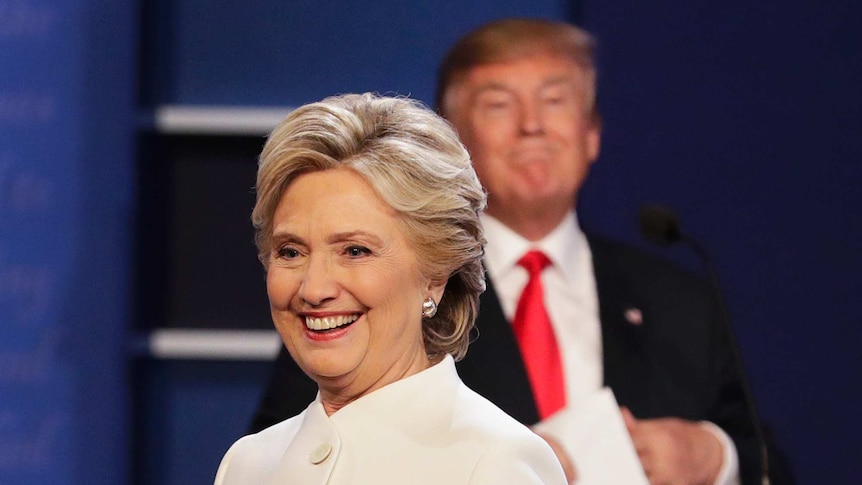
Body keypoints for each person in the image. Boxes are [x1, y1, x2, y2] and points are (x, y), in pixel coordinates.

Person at [250, 20, 795, 485]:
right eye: (499, 105)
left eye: (555, 100)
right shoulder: (379, 282)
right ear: (453, 139)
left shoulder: (682, 299)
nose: (532, 126)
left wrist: (713, 454)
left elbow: (773, 464)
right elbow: (297, 445)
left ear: (591, 134)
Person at [214, 93, 567, 485]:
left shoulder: (495, 463)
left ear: (435, 273)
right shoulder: (248, 464)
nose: (313, 289)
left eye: (355, 250)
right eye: (291, 251)